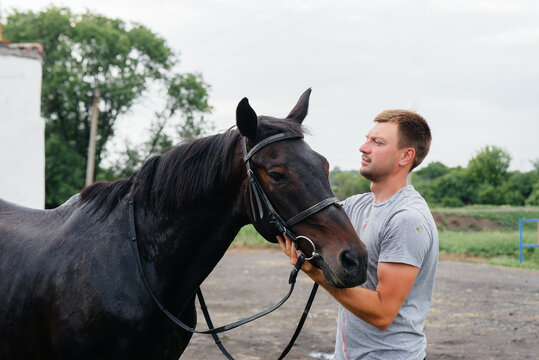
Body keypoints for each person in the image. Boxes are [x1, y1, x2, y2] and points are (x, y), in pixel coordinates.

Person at [278, 109, 438, 359]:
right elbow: (306, 215)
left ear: (405, 156)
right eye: (367, 139)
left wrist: (317, 274)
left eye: (378, 142)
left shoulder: (407, 219)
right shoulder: (357, 206)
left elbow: (383, 313)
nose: (364, 148)